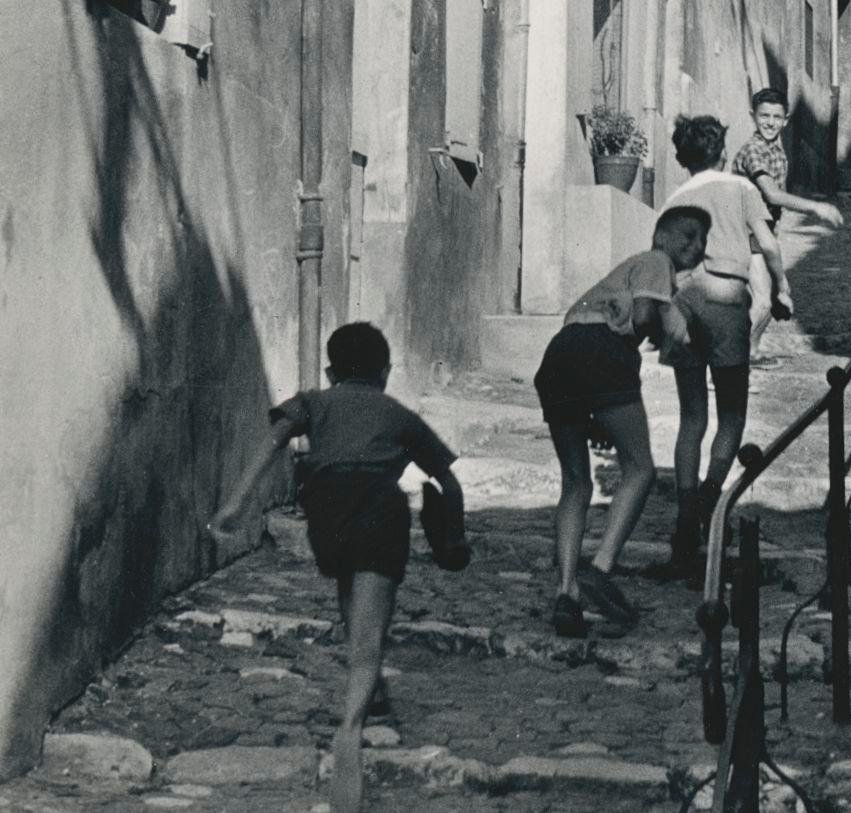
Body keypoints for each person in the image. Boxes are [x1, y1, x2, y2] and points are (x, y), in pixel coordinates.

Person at [208, 322, 469, 813]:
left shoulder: (313, 401)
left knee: (350, 588)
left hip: (326, 511)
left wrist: (237, 502)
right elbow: (447, 481)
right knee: (369, 637)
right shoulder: (398, 414)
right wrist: (452, 539)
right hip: (379, 509)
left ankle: (375, 692)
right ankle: (350, 729)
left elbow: (274, 440)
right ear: (385, 373)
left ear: (330, 372)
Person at [533, 206, 710, 638]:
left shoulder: (616, 277)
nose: (696, 247)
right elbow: (646, 316)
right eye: (687, 235)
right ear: (660, 236)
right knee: (640, 469)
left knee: (575, 482)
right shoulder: (656, 262)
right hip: (603, 353)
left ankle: (566, 592)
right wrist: (676, 342)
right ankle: (601, 567)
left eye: (703, 241)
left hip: (559, 356)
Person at [645, 115, 791, 583]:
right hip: (726, 301)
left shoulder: (674, 200)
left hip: (684, 303)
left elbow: (660, 264)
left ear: (682, 158)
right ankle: (710, 500)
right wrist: (782, 289)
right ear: (723, 153)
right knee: (732, 414)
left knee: (692, 417)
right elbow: (768, 245)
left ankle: (685, 521)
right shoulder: (741, 188)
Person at [731, 88, 844, 365]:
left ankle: (750, 352)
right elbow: (772, 195)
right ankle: (738, 360)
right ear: (753, 116)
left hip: (763, 231)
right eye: (764, 116)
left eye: (776, 117)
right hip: (746, 230)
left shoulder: (775, 151)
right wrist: (816, 207)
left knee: (769, 298)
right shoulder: (754, 150)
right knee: (764, 301)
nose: (770, 122)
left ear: (786, 119)